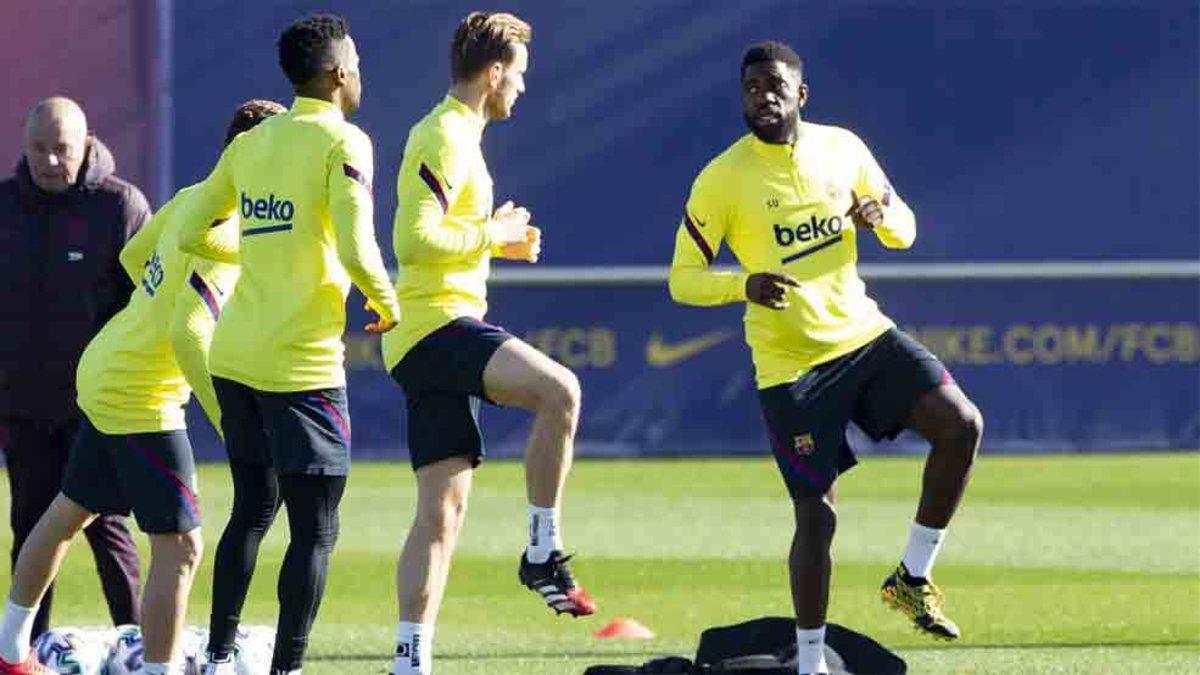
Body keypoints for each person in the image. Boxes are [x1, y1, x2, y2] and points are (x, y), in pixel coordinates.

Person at [667, 42, 983, 674]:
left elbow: (906, 229)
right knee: (817, 516)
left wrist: (883, 213)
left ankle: (911, 576)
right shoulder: (722, 178)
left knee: (963, 425)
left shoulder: (842, 148)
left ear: (801, 95)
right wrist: (743, 284)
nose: (763, 96)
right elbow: (682, 279)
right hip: (792, 369)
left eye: (775, 85)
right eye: (752, 87)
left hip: (864, 337)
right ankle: (810, 664)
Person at [0, 99, 284, 675]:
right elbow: (187, 329)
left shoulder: (188, 201)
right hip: (140, 394)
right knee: (180, 548)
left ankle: (10, 653)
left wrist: (146, 314)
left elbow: (133, 257)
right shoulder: (231, 229)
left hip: (104, 370)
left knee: (63, 515)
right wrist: (232, 423)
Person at [173, 14, 401, 675]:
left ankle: (217, 657)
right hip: (301, 368)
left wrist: (250, 247)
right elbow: (359, 245)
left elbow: (191, 229)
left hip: (236, 357)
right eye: (354, 61)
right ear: (336, 74)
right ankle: (287, 667)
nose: (360, 72)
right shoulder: (345, 142)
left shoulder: (252, 143)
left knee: (250, 509)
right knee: (315, 529)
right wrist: (387, 302)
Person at [383, 12, 595, 675]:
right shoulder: (443, 134)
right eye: (520, 76)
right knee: (561, 390)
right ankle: (541, 551)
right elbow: (413, 242)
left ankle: (408, 660)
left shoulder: (458, 135)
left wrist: (497, 237)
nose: (523, 90)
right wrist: (490, 235)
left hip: (427, 333)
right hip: (435, 327)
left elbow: (444, 238)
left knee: (441, 513)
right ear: (494, 73)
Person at [0, 96, 146, 642]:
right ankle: (27, 649)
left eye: (60, 148)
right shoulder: (6, 208)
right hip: (24, 405)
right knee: (30, 528)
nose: (50, 161)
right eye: (38, 148)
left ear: (84, 145)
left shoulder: (120, 207)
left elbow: (148, 305)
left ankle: (136, 641)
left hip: (99, 408)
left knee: (109, 527)